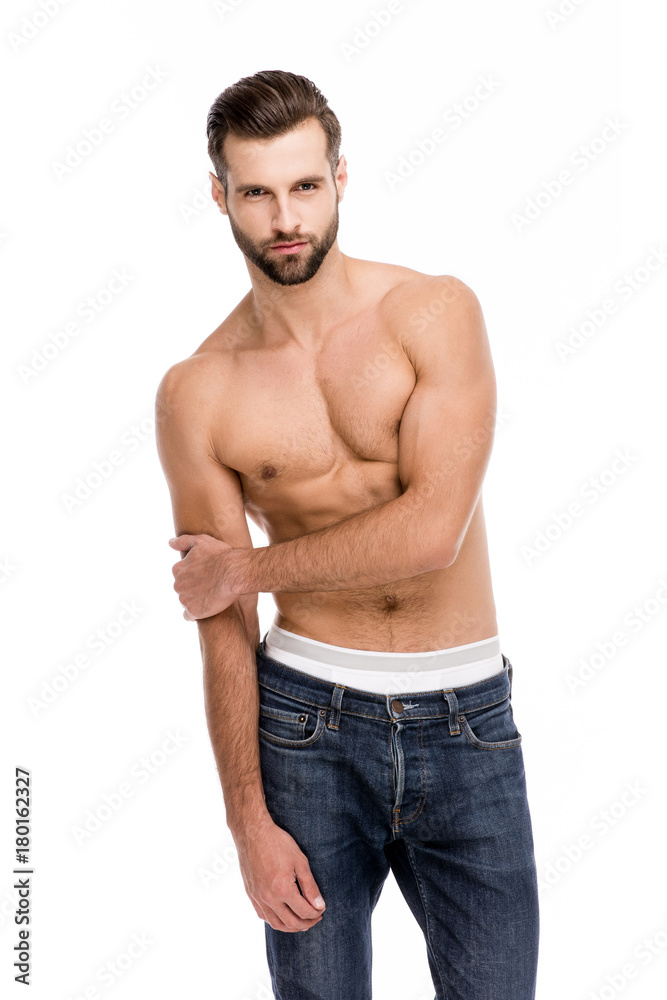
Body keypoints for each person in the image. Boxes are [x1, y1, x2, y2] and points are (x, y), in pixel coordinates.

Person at [155, 69, 539, 1000]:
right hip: (305, 728)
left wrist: (246, 567)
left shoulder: (432, 312)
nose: (285, 217)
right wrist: (248, 821)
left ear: (338, 178)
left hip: (467, 724)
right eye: (256, 191)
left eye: (304, 185)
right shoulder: (198, 392)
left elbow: (431, 531)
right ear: (220, 196)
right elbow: (222, 623)